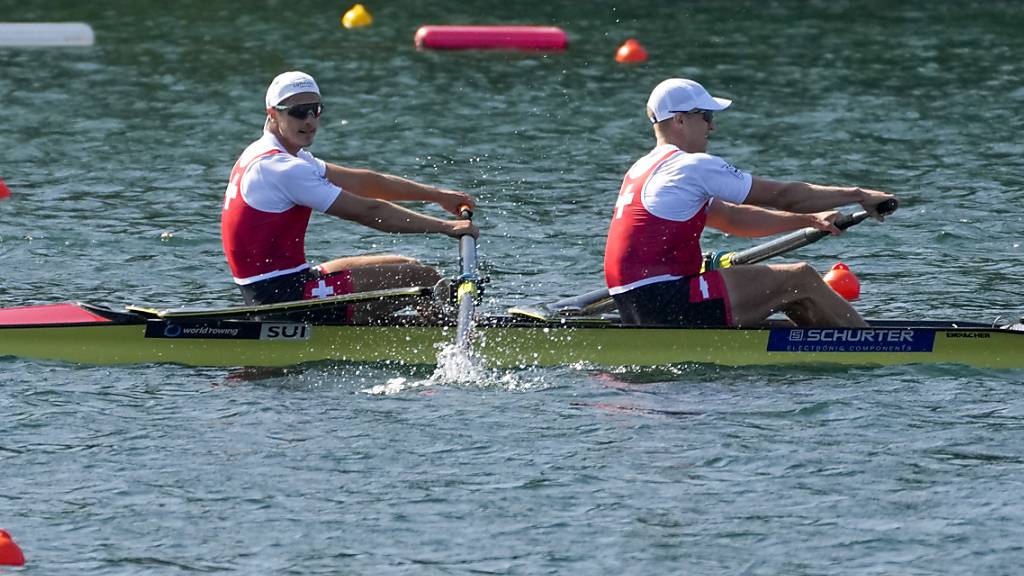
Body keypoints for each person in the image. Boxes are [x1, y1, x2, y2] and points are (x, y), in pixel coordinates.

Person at [604, 78, 897, 328]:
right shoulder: (690, 166)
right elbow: (785, 196)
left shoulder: (642, 168)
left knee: (786, 288)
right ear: (680, 119)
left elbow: (732, 219)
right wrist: (859, 195)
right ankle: (878, 347)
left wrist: (809, 219)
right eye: (705, 115)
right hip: (668, 300)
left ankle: (821, 343)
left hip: (635, 301)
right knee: (801, 278)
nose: (712, 126)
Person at [222, 71, 478, 322]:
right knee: (420, 280)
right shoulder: (281, 168)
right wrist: (446, 227)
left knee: (408, 265)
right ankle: (453, 343)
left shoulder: (278, 154)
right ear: (272, 114)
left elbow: (363, 182)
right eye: (299, 112)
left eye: (316, 110)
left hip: (291, 281)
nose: (310, 120)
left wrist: (437, 195)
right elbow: (369, 212)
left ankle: (438, 330)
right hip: (282, 300)